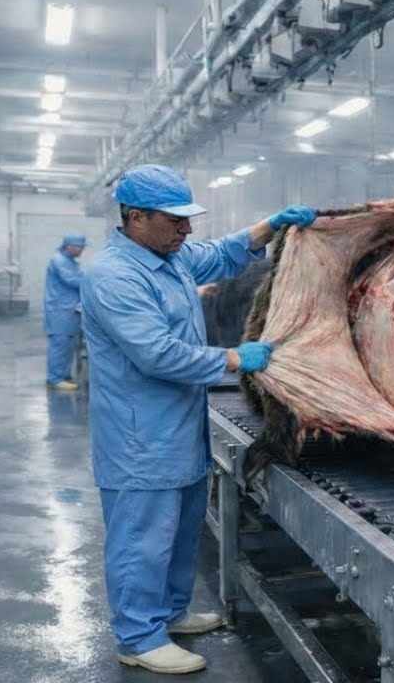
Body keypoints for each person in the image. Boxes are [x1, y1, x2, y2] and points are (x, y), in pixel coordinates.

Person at [80, 163, 316, 675]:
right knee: (142, 537)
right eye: (176, 221)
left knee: (182, 528)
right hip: (139, 433)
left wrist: (269, 226)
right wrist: (234, 359)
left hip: (179, 424)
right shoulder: (114, 275)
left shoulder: (168, 255)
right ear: (136, 217)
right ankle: (138, 637)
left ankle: (168, 614)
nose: (187, 230)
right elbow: (157, 354)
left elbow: (221, 254)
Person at [45, 232, 87, 391]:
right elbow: (73, 280)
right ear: (69, 246)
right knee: (60, 345)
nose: (82, 250)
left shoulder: (70, 261)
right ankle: (55, 379)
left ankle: (63, 375)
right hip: (60, 311)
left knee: (68, 345)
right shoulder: (59, 260)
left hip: (68, 310)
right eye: (80, 247)